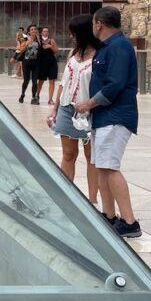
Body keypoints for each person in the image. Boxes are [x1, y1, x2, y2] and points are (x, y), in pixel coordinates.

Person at [74, 7, 141, 238]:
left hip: (115, 116)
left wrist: (88, 104)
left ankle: (130, 221)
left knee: (110, 167)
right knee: (101, 166)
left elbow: (115, 84)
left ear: (99, 24)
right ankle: (109, 215)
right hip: (103, 118)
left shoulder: (120, 47)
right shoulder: (107, 48)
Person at [47, 15, 100, 207]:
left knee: (91, 157)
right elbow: (64, 82)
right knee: (68, 154)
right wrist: (54, 109)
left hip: (89, 110)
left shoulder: (99, 55)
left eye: (73, 33)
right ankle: (65, 198)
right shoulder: (73, 53)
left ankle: (92, 200)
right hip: (67, 108)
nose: (71, 37)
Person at [35, 26, 60, 105]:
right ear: (41, 32)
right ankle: (37, 96)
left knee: (52, 81)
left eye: (47, 31)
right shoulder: (38, 41)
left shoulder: (51, 40)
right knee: (41, 81)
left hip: (52, 63)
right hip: (42, 64)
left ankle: (50, 99)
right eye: (44, 31)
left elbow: (56, 50)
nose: (46, 32)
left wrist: (50, 46)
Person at [18, 24, 41, 104]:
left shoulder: (39, 39)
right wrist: (27, 43)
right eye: (32, 29)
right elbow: (20, 50)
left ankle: (33, 98)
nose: (34, 30)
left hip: (36, 63)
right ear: (29, 31)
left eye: (35, 29)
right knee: (26, 80)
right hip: (26, 62)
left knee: (35, 81)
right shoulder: (25, 39)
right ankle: (22, 94)